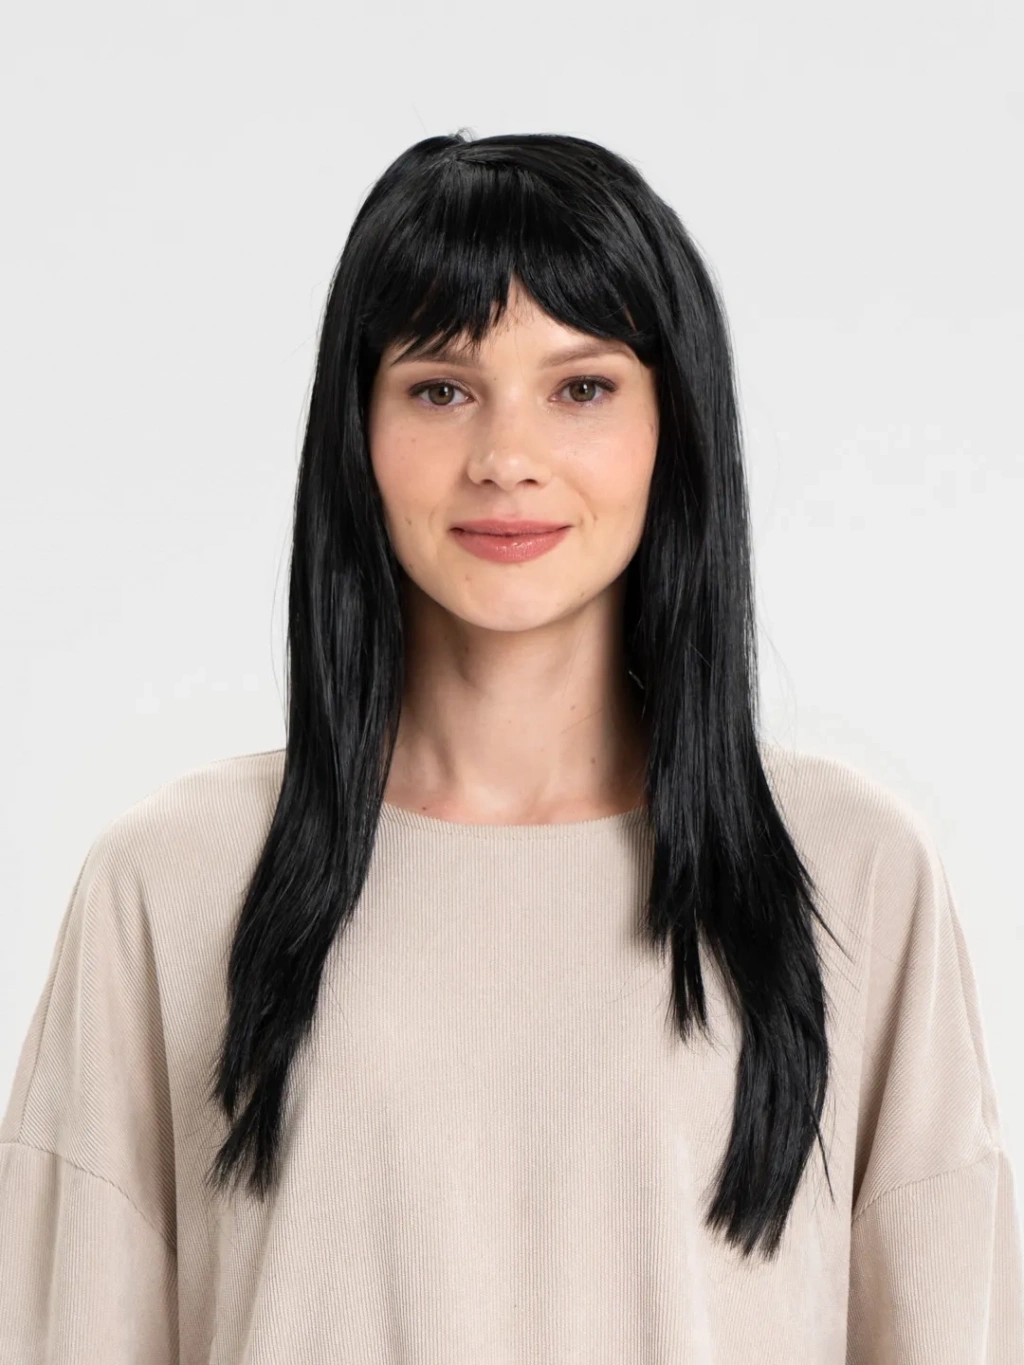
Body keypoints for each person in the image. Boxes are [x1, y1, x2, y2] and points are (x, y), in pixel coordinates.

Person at [1, 130, 1022, 1364]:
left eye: (580, 388)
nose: (505, 459)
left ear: (672, 426)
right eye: (441, 388)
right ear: (358, 430)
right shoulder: (170, 879)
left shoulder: (850, 872)